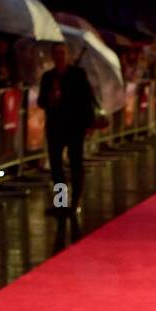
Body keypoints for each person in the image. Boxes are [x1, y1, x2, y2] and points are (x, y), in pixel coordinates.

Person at [37, 42, 96, 215]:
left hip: (74, 126)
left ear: (67, 55)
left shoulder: (78, 74)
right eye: (56, 53)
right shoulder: (48, 77)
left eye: (63, 53)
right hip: (55, 126)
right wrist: (50, 97)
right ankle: (61, 203)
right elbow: (41, 101)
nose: (60, 56)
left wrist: (87, 123)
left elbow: (86, 99)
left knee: (76, 162)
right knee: (56, 166)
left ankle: (75, 202)